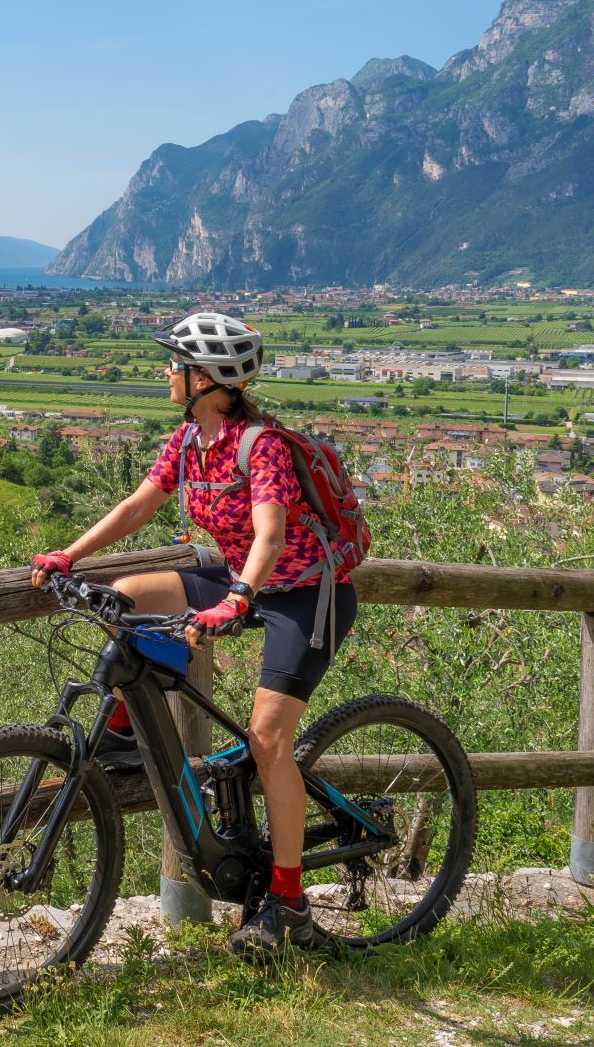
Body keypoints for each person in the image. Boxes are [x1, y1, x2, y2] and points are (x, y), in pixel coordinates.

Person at [29, 311, 358, 956]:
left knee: (268, 742)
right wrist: (70, 555)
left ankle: (289, 905)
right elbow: (139, 505)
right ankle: (125, 735)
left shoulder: (258, 444)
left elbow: (272, 533)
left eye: (175, 364)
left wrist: (239, 597)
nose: (166, 373)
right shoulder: (187, 442)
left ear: (204, 378)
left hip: (303, 594)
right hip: (240, 581)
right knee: (126, 598)